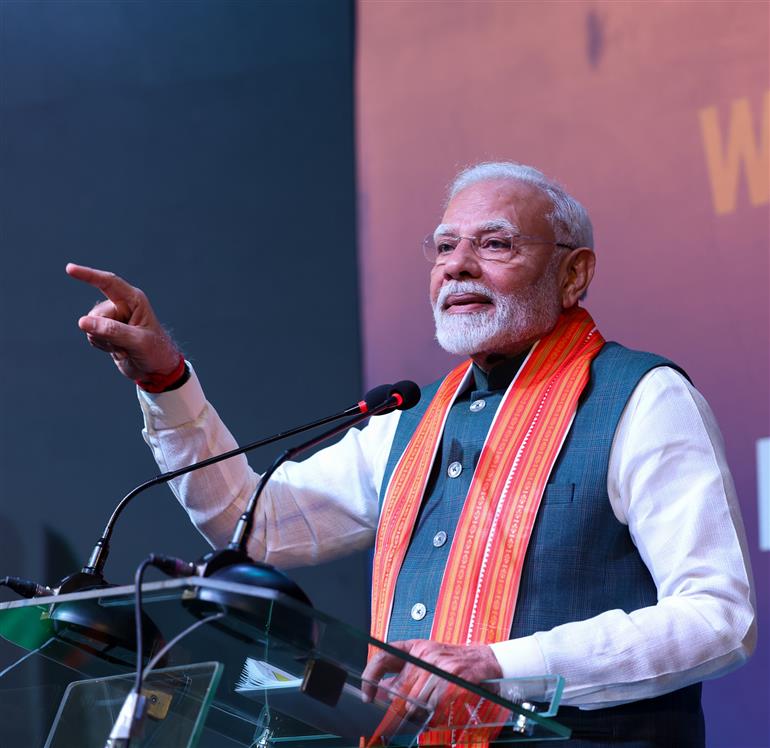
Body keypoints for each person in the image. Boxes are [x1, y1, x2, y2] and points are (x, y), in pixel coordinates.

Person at [67, 162, 755, 746]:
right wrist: (165, 381)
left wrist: (496, 663)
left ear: (573, 274)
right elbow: (256, 525)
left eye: (495, 244)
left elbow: (718, 618)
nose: (458, 264)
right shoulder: (413, 420)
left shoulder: (640, 399)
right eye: (445, 245)